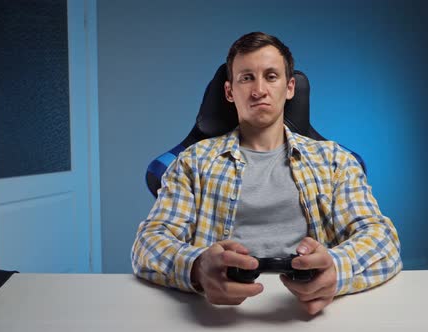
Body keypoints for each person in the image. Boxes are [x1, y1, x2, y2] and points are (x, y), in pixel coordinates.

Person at [131, 31, 402, 315]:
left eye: (271, 76)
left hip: (307, 309)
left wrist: (337, 268)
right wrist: (197, 267)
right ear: (229, 91)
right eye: (246, 78)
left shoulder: (335, 161)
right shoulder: (192, 162)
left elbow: (382, 238)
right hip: (217, 312)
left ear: (290, 88)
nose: (258, 90)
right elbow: (148, 242)